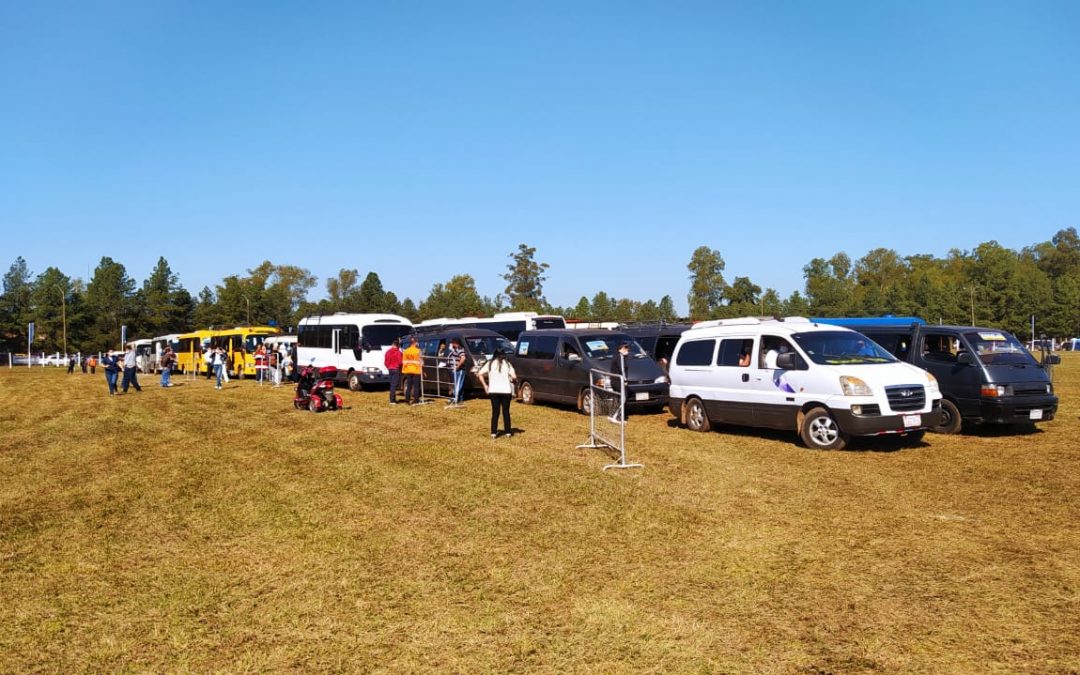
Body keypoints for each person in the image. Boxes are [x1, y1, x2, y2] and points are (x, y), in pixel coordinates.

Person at [478, 349, 517, 438]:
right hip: (506, 391)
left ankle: (493, 432)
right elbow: (514, 376)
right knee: (506, 412)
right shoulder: (507, 364)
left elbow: (479, 374)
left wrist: (485, 385)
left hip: (493, 391)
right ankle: (508, 432)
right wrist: (512, 379)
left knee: (495, 412)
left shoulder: (490, 364)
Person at [607, 342, 631, 423]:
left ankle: (614, 415)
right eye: (626, 348)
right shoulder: (620, 356)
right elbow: (622, 369)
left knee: (618, 398)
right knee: (624, 398)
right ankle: (616, 417)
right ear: (621, 349)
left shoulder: (621, 356)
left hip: (615, 380)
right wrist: (624, 380)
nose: (628, 349)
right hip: (618, 381)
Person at [402, 336, 423, 405]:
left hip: (408, 370)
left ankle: (407, 400)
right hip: (416, 370)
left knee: (409, 386)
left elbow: (404, 361)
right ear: (415, 343)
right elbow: (421, 361)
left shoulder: (405, 351)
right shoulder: (418, 351)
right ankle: (416, 400)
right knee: (416, 386)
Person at [384, 338, 403, 404]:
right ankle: (392, 400)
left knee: (392, 384)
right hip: (396, 369)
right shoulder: (398, 353)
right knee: (394, 385)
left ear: (392, 345)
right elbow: (400, 362)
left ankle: (392, 399)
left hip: (390, 369)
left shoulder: (387, 352)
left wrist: (388, 367)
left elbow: (385, 362)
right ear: (398, 346)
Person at [448, 338, 466, 405]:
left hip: (459, 370)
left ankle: (455, 399)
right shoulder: (454, 349)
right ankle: (458, 398)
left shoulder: (460, 349)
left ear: (456, 343)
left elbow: (463, 358)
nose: (451, 344)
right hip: (454, 370)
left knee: (458, 385)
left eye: (452, 343)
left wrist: (457, 366)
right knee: (456, 384)